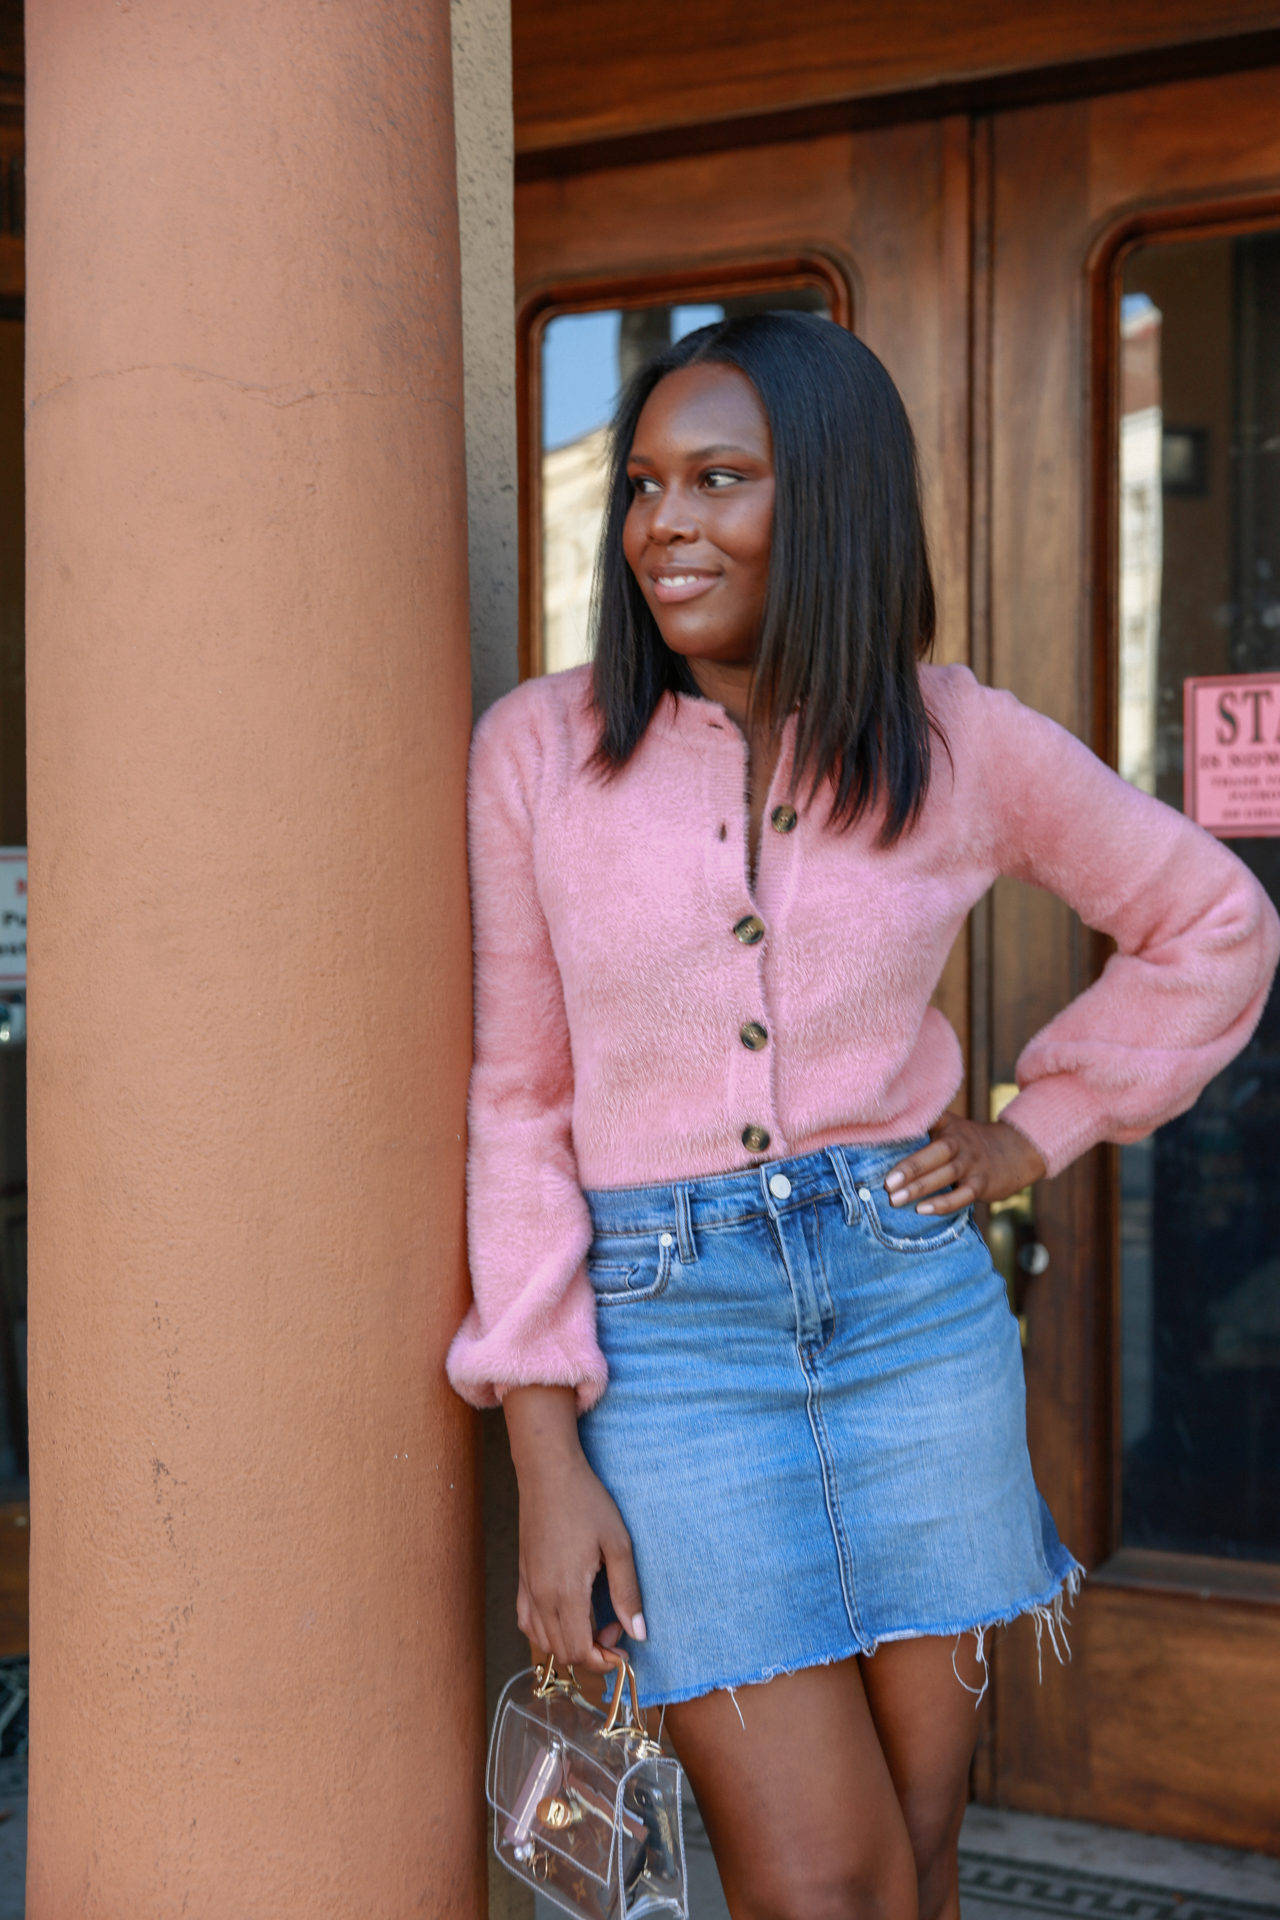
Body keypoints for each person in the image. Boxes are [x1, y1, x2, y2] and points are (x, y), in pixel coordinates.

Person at [446, 312, 1280, 1920]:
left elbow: (1215, 921)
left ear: (827, 498)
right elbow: (518, 1100)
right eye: (641, 487)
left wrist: (1039, 1126)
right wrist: (547, 1459)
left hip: (913, 1319)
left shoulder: (955, 736)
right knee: (824, 1882)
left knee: (922, 1847)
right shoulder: (540, 755)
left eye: (718, 480)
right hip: (669, 1347)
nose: (660, 526)